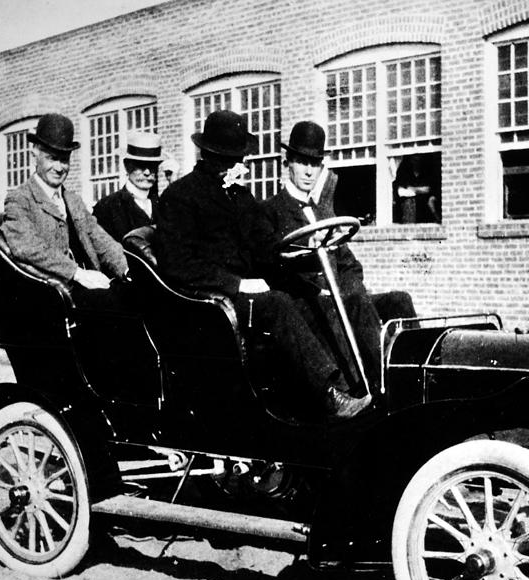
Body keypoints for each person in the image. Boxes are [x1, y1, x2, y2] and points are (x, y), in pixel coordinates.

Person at [151, 109, 369, 419]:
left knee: (313, 299)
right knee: (278, 304)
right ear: (212, 155)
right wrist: (237, 284)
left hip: (250, 295)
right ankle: (329, 395)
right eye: (233, 158)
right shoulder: (180, 196)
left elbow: (266, 249)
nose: (240, 164)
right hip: (210, 305)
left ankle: (354, 388)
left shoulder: (241, 198)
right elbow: (178, 265)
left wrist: (301, 273)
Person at [261, 121, 416, 392]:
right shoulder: (270, 211)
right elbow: (272, 265)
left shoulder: (324, 213)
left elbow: (350, 265)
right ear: (288, 164)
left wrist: (350, 290)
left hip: (342, 298)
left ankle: (415, 372)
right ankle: (369, 388)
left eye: (315, 163)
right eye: (302, 162)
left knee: (399, 300)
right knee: (344, 304)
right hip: (306, 304)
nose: (309, 170)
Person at [1, 113, 128, 310]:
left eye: (65, 159)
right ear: (35, 153)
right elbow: (27, 247)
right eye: (52, 158)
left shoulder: (74, 201)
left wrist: (127, 269)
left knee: (138, 294)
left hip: (91, 287)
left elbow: (101, 241)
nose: (60, 168)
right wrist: (78, 273)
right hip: (56, 296)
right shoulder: (20, 199)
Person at [93, 131, 162, 242]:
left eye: (152, 165)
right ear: (127, 165)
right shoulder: (107, 207)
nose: (147, 172)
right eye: (141, 165)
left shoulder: (163, 205)